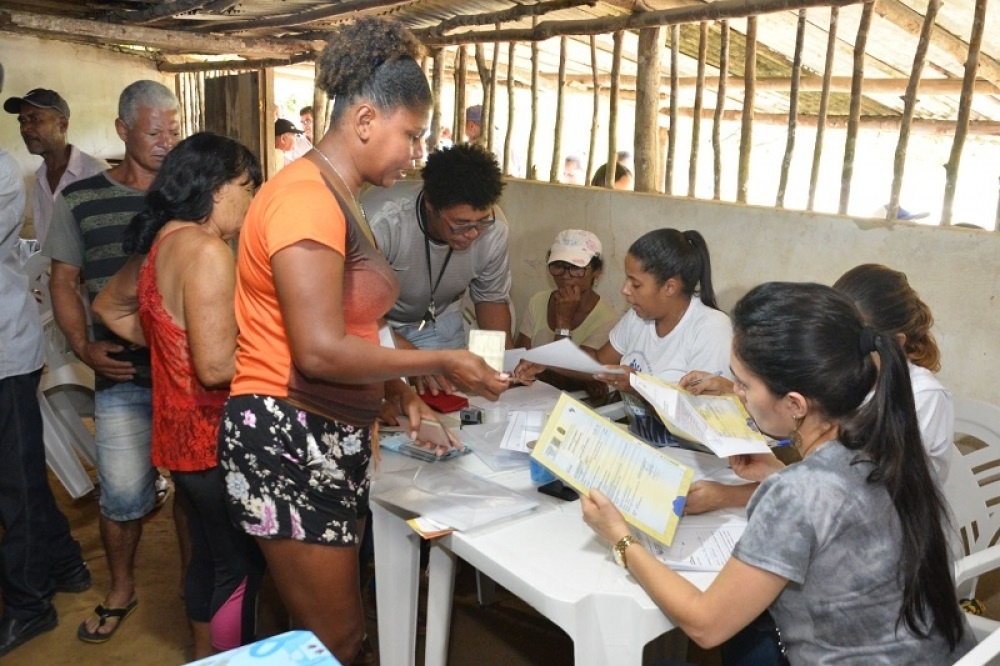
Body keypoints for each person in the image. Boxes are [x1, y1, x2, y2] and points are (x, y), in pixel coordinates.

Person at [216, 17, 507, 663]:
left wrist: (398, 389)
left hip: (320, 430)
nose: (414, 153)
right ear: (367, 119)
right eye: (411, 134)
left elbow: (349, 327)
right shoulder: (305, 199)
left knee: (320, 633)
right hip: (288, 433)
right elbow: (316, 350)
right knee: (338, 640)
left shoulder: (336, 198)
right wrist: (443, 359)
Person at [582, 281, 975, 663]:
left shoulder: (798, 492)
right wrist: (775, 474)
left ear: (795, 404)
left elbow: (706, 625)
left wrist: (620, 536)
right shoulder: (888, 446)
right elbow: (836, 508)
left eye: (744, 383)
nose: (735, 393)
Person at [93, 133, 266, 659]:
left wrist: (174, 344)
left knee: (208, 561)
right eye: (246, 187)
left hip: (178, 438)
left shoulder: (163, 240)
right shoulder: (208, 250)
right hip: (214, 439)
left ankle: (202, 654)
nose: (252, 199)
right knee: (239, 566)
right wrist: (281, 362)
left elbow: (109, 306)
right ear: (215, 189)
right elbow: (215, 368)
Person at [43, 79, 181, 644]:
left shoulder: (191, 196)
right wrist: (82, 346)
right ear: (123, 131)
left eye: (174, 131)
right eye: (154, 132)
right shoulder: (81, 200)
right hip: (122, 368)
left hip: (189, 371)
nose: (166, 143)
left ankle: (196, 586)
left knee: (198, 491)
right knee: (123, 493)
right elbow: (64, 279)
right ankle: (121, 588)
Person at [682, 263, 954, 516]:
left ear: (894, 342)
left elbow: (863, 497)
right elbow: (828, 477)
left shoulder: (923, 398)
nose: (835, 351)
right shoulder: (842, 378)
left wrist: (729, 495)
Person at [0, 59, 90, 660]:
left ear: (60, 122)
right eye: (23, 120)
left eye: (37, 119)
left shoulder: (8, 174)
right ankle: (66, 563)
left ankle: (29, 603)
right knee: (24, 470)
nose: (30, 128)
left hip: (19, 339)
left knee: (18, 478)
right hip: (35, 317)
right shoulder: (29, 176)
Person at [361, 142, 512, 352]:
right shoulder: (383, 222)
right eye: (460, 224)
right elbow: (355, 308)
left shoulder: (494, 230)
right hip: (372, 319)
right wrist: (412, 360)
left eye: (481, 221)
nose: (473, 233)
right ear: (430, 205)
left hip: (437, 321)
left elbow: (491, 300)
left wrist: (504, 363)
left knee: (450, 382)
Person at [593, 229, 731, 446]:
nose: (624, 290)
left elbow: (701, 426)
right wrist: (548, 361)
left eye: (635, 284)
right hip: (641, 447)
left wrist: (637, 388)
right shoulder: (638, 316)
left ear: (669, 287)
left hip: (693, 460)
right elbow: (600, 363)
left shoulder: (710, 328)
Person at [514, 229, 618, 399]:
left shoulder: (608, 320)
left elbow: (569, 370)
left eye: (576, 268)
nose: (566, 276)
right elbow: (520, 362)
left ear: (596, 271)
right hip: (531, 399)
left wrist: (563, 322)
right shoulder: (538, 301)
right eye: (558, 267)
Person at [4, 88, 108, 245]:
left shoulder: (97, 175)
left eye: (35, 119)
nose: (25, 128)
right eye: (23, 121)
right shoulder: (41, 180)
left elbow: (113, 245)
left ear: (62, 125)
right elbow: (46, 244)